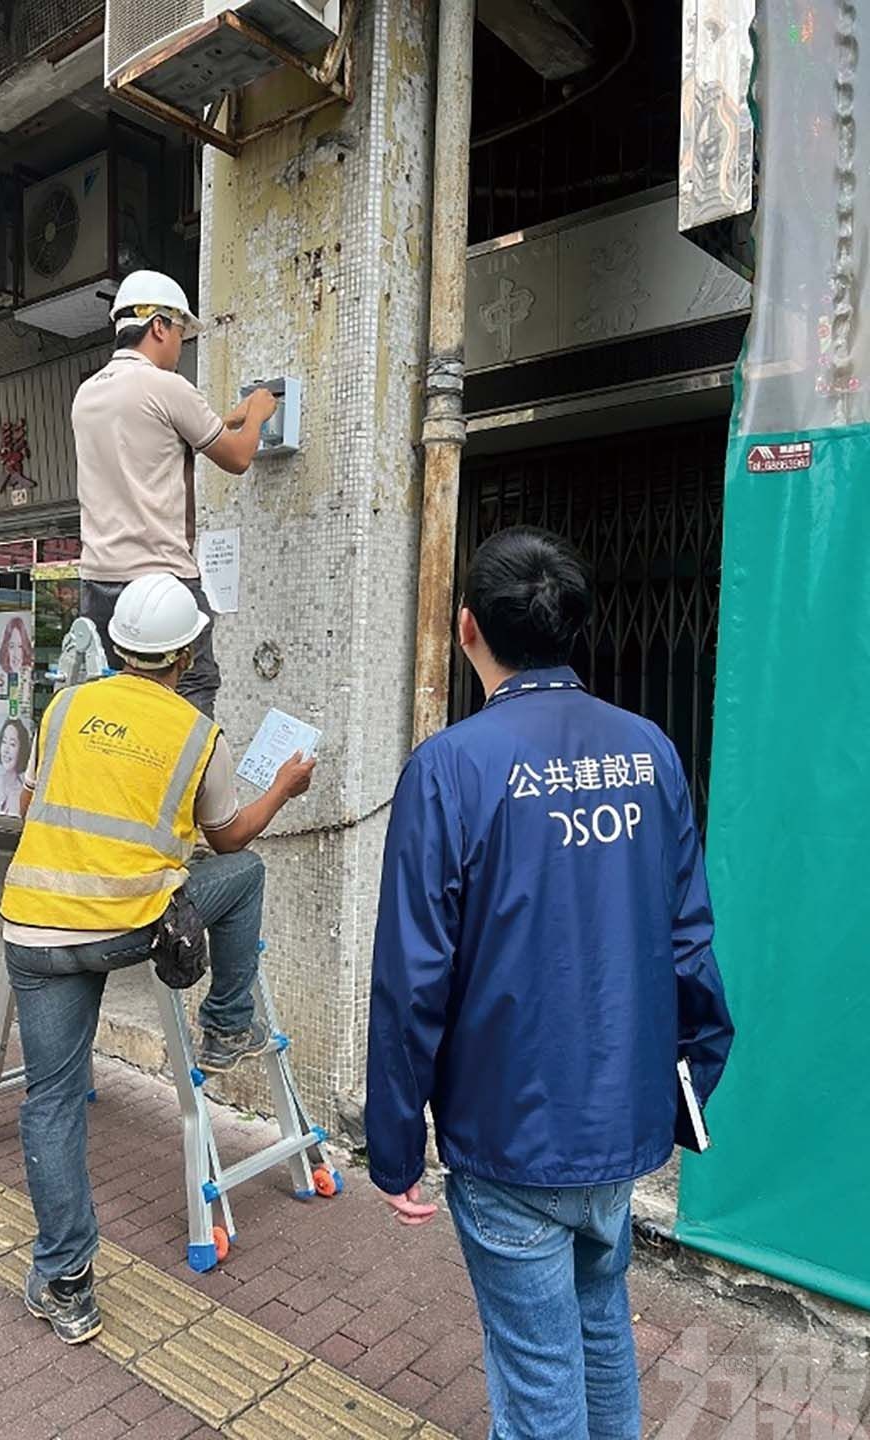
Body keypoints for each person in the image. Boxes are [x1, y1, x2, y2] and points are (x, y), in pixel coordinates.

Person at [365, 526, 735, 1440]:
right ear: (575, 627)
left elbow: (413, 976)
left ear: (465, 630)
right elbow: (690, 940)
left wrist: (393, 1143)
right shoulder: (648, 752)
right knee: (601, 1327)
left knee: (537, 1381)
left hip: (509, 1134)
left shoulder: (450, 768)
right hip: (622, 1120)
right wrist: (682, 1083)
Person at [0, 572, 315, 1345]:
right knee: (244, 875)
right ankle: (225, 1027)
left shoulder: (66, 704)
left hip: (34, 931)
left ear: (115, 647)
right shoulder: (196, 733)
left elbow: (27, 806)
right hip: (125, 929)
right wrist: (283, 788)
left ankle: (67, 1285)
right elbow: (229, 840)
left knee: (51, 1101)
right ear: (185, 655)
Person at [73, 270, 278, 719]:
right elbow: (238, 458)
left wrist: (229, 417)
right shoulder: (166, 387)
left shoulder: (87, 395)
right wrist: (259, 415)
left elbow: (160, 439)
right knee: (191, 689)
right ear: (159, 326)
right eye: (181, 333)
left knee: (121, 703)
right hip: (160, 579)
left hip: (99, 584)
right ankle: (186, 790)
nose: (181, 346)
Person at [0, 717, 31, 817]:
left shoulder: (21, 794)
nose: (6, 749)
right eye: (4, 741)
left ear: (21, 750)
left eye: (12, 744)